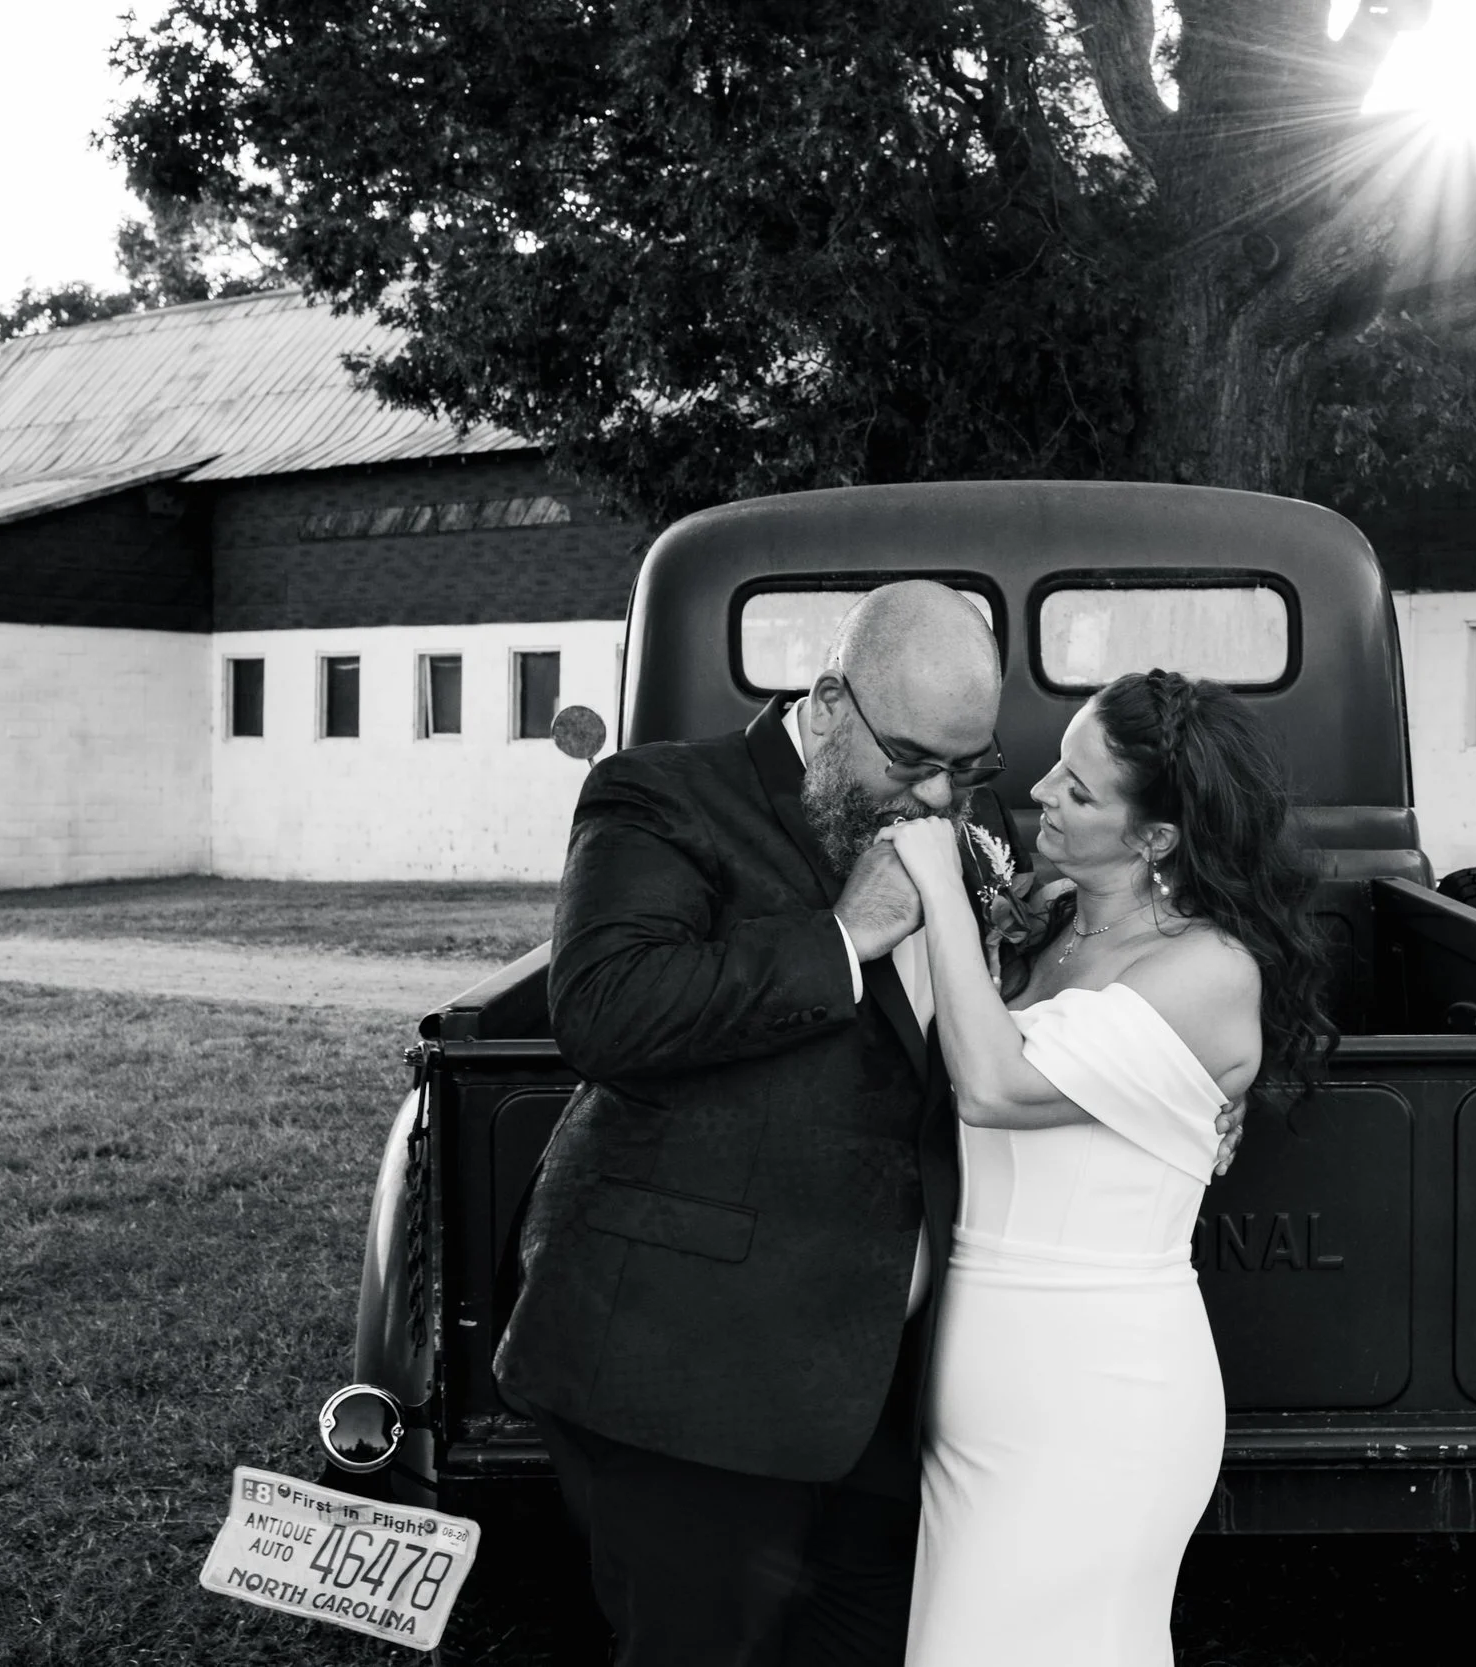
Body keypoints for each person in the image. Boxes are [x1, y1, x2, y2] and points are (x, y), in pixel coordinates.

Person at [495, 583, 1244, 1667]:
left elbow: (1022, 1021)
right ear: (832, 700)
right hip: (691, 1377)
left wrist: (1166, 1078)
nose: (945, 794)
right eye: (915, 760)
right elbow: (606, 1010)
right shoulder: (663, 794)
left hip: (878, 1390)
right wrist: (846, 933)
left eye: (971, 766)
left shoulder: (954, 819)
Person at [878, 667, 1334, 1667]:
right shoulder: (1046, 927)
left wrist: (940, 892)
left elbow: (993, 1083)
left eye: (1079, 790)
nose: (1041, 792)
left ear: (1155, 837)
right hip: (978, 1377)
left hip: (1096, 1393)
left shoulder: (1207, 968)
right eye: (1056, 767)